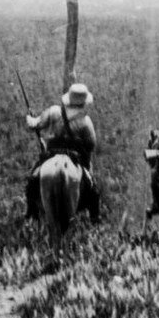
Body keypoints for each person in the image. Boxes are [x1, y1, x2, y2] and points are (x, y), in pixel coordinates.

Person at [24, 83, 100, 221]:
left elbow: (34, 124)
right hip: (74, 157)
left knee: (32, 180)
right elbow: (91, 145)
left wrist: (30, 117)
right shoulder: (85, 121)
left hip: (50, 154)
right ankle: (95, 217)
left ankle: (31, 211)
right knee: (93, 188)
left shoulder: (53, 111)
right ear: (84, 102)